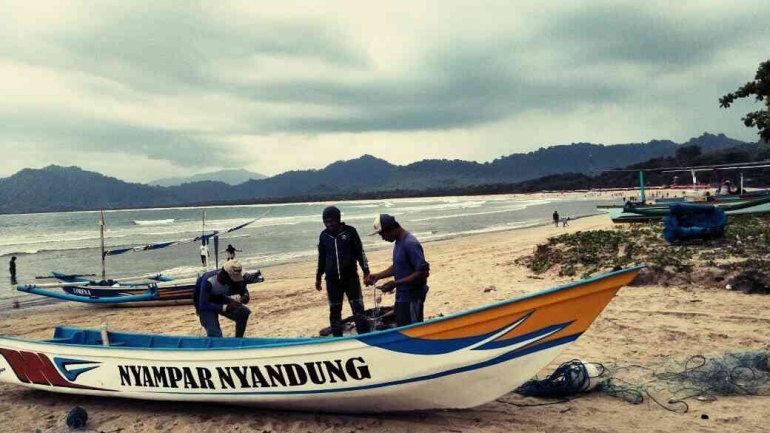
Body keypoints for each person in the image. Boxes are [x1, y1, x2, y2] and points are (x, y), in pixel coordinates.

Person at [365, 214, 430, 327]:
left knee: (411, 331)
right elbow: (398, 266)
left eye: (382, 234)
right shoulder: (399, 242)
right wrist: (378, 276)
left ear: (390, 229)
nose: (383, 238)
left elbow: (423, 272)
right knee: (403, 328)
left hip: (411, 297)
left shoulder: (410, 243)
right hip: (402, 296)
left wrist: (396, 283)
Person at [316, 206, 371, 337]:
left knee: (358, 309)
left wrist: (366, 272)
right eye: (326, 222)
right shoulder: (324, 236)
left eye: (331, 221)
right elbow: (321, 258)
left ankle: (365, 336)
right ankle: (337, 339)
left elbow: (360, 253)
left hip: (351, 278)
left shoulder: (351, 232)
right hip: (332, 281)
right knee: (335, 311)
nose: (329, 225)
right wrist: (318, 277)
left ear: (338, 219)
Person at [194, 260, 251, 338]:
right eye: (232, 279)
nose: (234, 281)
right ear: (224, 275)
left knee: (243, 313)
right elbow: (203, 304)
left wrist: (245, 297)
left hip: (218, 297)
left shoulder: (234, 279)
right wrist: (226, 307)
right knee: (215, 334)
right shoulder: (209, 280)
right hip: (204, 303)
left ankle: (238, 340)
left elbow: (243, 291)